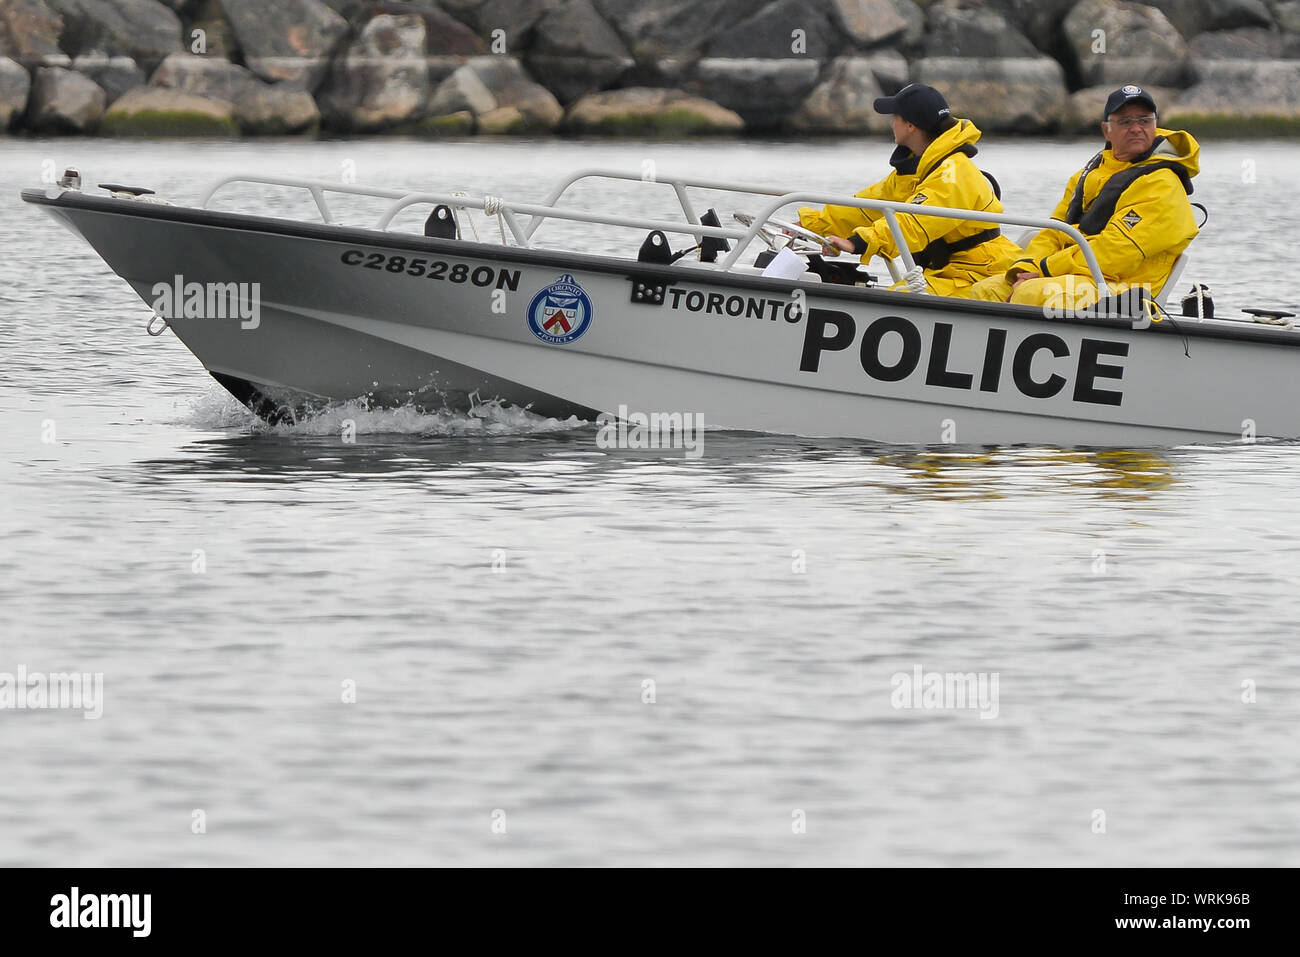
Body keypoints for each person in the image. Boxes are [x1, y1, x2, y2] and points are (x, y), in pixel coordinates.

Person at [968, 85, 1200, 311]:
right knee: (984, 291)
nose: (1137, 128)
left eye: (1145, 120)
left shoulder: (1162, 184)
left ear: (1155, 125)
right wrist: (1024, 268)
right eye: (1125, 122)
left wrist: (1044, 270)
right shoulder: (1088, 175)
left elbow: (1116, 252)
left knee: (1030, 294)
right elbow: (1055, 231)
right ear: (1107, 130)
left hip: (1123, 287)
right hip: (1078, 275)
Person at [797, 83, 1021, 297]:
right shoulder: (915, 171)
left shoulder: (954, 173)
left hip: (981, 272)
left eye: (895, 117)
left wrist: (858, 243)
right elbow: (867, 207)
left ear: (911, 125)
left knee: (892, 300)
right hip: (951, 272)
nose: (891, 123)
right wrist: (812, 226)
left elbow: (914, 221)